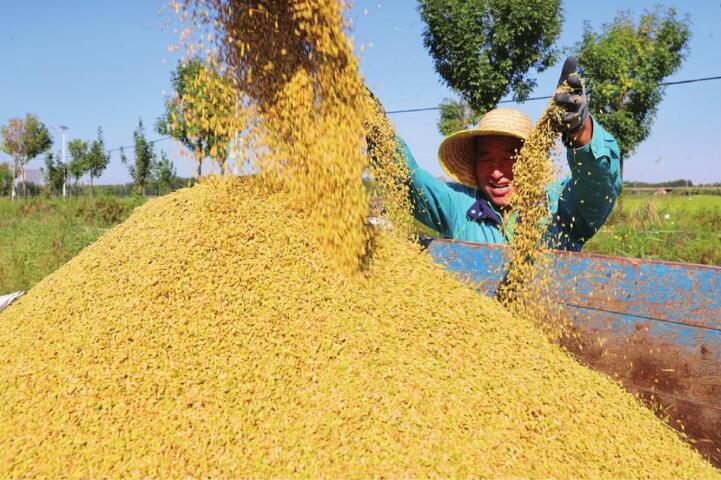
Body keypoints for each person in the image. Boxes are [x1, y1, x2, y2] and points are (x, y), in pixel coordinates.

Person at [400, 57, 621, 251]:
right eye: (486, 160)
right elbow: (410, 180)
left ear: (530, 162)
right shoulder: (460, 206)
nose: (497, 173)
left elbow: (597, 186)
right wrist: (375, 126)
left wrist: (580, 132)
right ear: (474, 165)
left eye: (510, 158)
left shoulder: (560, 206)